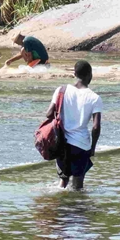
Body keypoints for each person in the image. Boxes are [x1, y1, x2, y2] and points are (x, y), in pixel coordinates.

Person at [46, 60, 102, 190]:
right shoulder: (94, 98)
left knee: (63, 183)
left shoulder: (61, 90)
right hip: (81, 145)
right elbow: (96, 127)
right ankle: (76, 207)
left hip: (62, 143)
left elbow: (49, 113)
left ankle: (61, 206)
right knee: (78, 187)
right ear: (90, 75)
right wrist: (93, 147)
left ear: (74, 74)